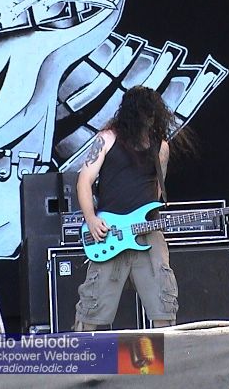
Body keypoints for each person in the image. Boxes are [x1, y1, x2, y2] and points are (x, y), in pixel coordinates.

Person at [74, 86, 183, 330]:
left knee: (164, 304)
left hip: (148, 233)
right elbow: (84, 181)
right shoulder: (106, 139)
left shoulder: (161, 147)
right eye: (145, 114)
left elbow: (157, 189)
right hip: (110, 232)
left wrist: (146, 215)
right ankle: (86, 353)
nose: (149, 120)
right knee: (92, 307)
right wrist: (91, 219)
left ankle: (162, 355)